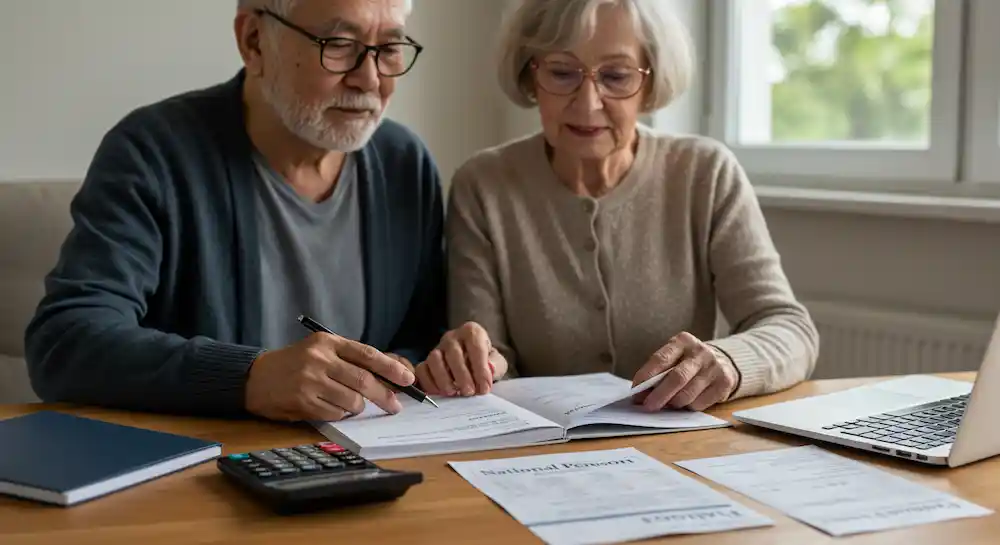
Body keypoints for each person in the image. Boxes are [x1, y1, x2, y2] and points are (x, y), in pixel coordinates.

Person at [23, 0, 446, 423]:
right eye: (338, 43)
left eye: (389, 48)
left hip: (371, 462)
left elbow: (421, 335)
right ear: (254, 41)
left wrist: (445, 358)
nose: (368, 78)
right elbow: (65, 343)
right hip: (206, 470)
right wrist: (251, 376)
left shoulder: (404, 163)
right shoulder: (153, 152)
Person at [415, 0, 820, 412]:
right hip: (542, 448)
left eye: (616, 76)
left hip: (677, 442)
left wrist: (730, 362)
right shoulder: (483, 185)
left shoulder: (705, 173)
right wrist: (479, 365)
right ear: (529, 74)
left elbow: (789, 328)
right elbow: (489, 357)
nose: (588, 102)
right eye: (561, 72)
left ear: (650, 82)